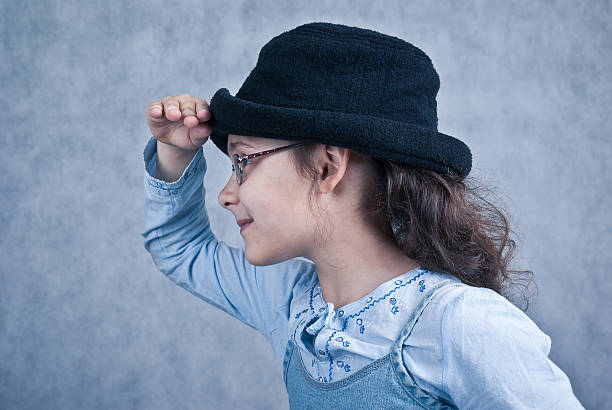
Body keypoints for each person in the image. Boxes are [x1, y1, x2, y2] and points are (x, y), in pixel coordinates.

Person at [141, 22, 584, 409]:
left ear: (328, 166)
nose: (225, 194)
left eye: (243, 161)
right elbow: (180, 250)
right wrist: (174, 151)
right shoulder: (293, 304)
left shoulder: (462, 324)